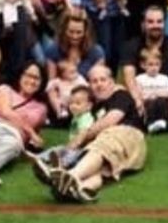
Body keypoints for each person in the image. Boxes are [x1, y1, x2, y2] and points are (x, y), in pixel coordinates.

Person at [33, 65, 146, 203]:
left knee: (100, 147)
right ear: (89, 85)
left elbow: (112, 119)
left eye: (103, 80)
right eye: (94, 81)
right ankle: (78, 189)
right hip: (120, 150)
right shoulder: (94, 107)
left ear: (111, 81)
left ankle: (69, 176)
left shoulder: (120, 95)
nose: (99, 84)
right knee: (101, 170)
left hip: (126, 134)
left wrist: (83, 136)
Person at [121, 7, 168, 114]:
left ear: (165, 24)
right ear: (143, 24)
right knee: (120, 92)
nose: (155, 25)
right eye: (150, 22)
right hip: (141, 95)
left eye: (159, 21)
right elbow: (129, 76)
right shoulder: (131, 46)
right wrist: (137, 99)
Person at [34, 86, 95, 169]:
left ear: (89, 106)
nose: (73, 106)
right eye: (71, 103)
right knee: (58, 149)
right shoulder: (77, 116)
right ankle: (40, 157)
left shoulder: (85, 118)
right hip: (74, 146)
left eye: (78, 103)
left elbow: (82, 134)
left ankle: (61, 164)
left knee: (71, 154)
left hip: (82, 148)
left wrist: (72, 146)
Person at [134, 49, 168, 133]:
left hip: (162, 102)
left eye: (157, 64)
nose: (154, 67)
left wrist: (155, 94)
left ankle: (163, 122)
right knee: (151, 103)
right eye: (150, 65)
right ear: (143, 65)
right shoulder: (139, 78)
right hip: (147, 103)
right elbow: (139, 94)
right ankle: (150, 124)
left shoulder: (164, 78)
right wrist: (148, 96)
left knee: (161, 101)